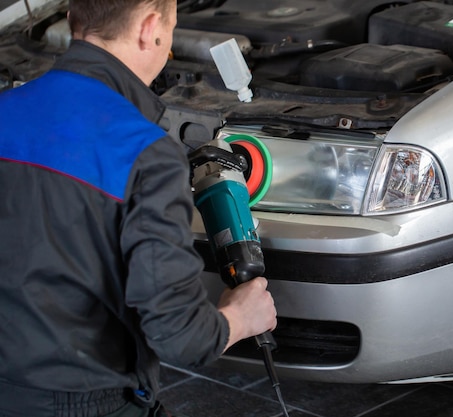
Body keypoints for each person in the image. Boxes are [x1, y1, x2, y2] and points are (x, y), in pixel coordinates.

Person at [0, 0, 277, 416]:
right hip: (84, 401)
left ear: (74, 18)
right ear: (151, 28)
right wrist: (241, 316)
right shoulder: (144, 153)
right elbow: (181, 338)